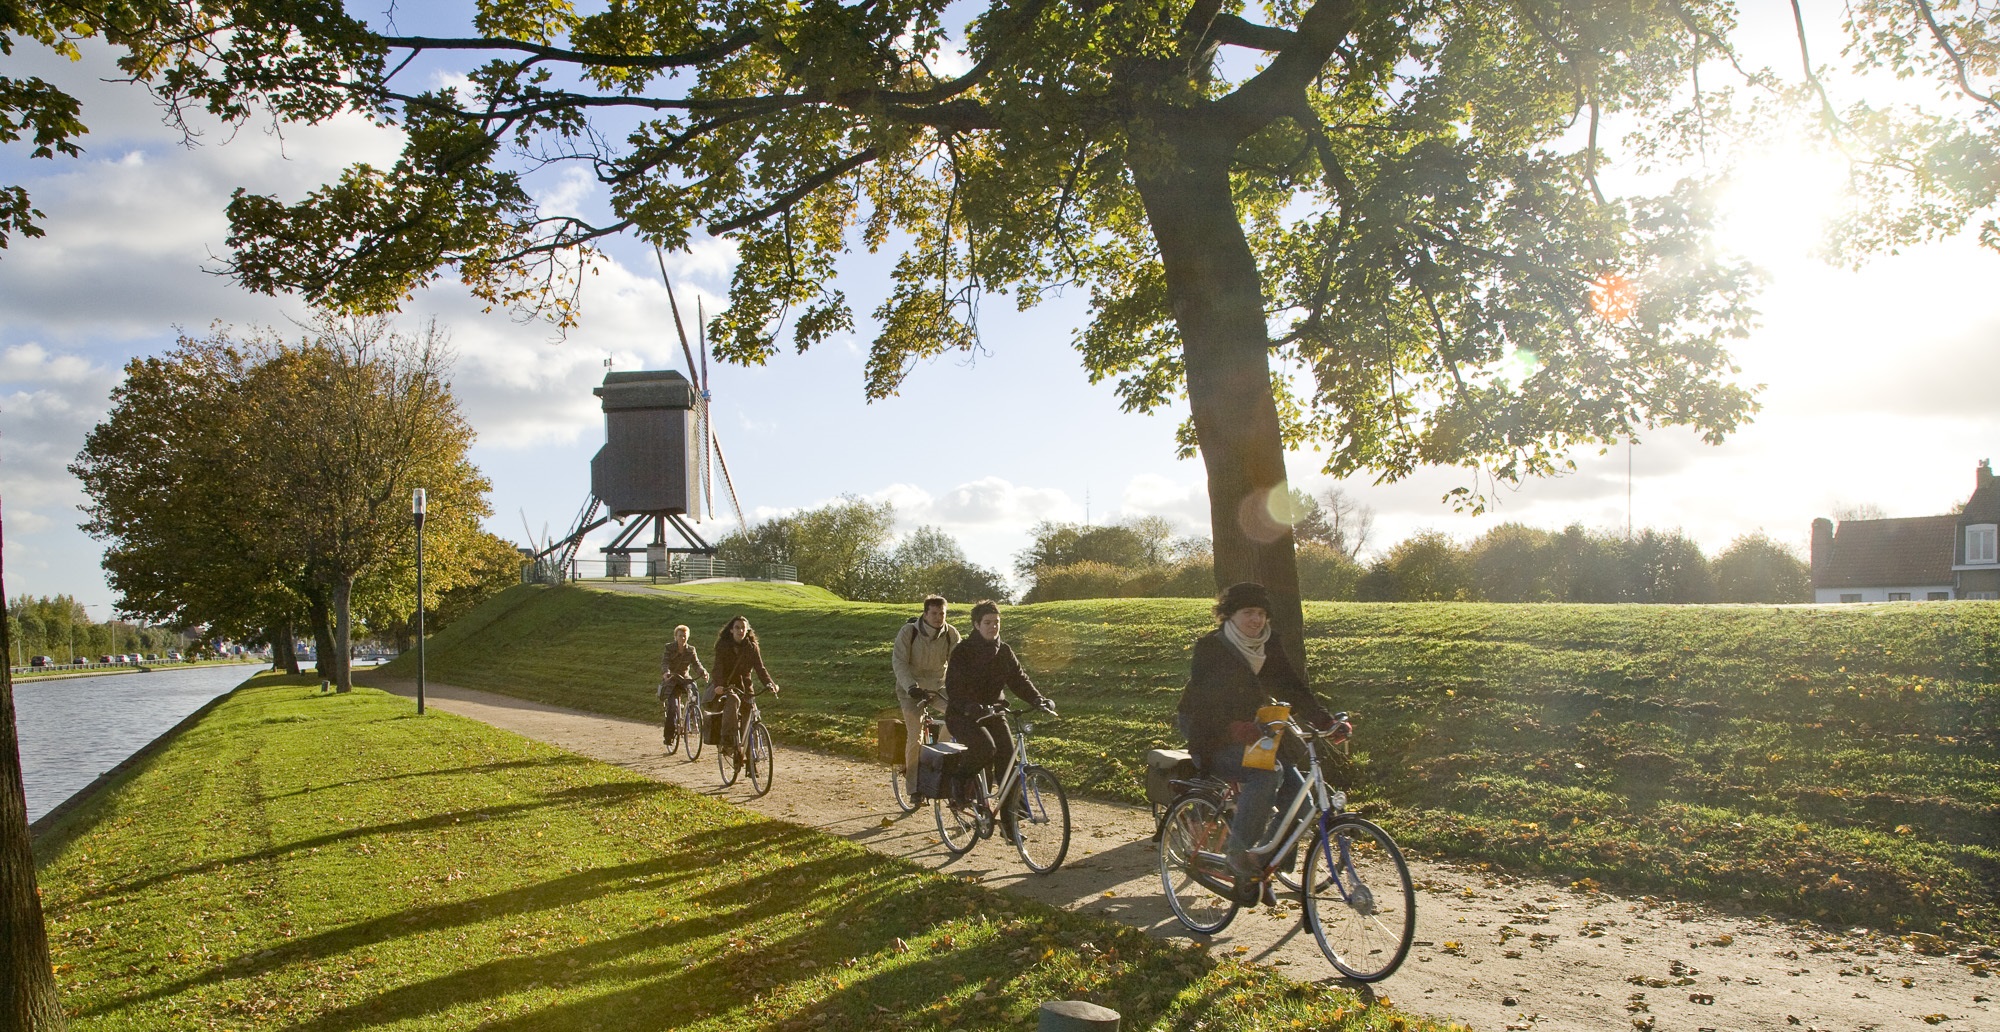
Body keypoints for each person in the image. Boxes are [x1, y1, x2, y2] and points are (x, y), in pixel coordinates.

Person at [1176, 582, 1334, 890]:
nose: (1255, 620)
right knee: (1266, 774)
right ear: (1229, 616)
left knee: (1302, 802)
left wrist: (1324, 720)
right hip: (1207, 728)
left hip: (1252, 729)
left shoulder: (1268, 644)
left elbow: (1291, 686)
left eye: (1261, 613)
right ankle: (1238, 854)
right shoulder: (1212, 648)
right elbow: (1204, 702)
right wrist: (1232, 729)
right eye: (1248, 612)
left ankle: (1264, 860)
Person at [942, 600, 1055, 819]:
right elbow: (954, 688)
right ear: (976, 624)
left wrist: (1038, 700)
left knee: (1008, 761)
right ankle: (958, 780)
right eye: (987, 622)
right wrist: (969, 706)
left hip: (993, 712)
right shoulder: (962, 652)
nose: (993, 626)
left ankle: (1011, 821)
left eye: (996, 622)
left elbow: (1019, 679)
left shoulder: (1004, 651)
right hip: (963, 715)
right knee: (985, 748)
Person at [892, 594, 960, 804]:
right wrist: (911, 687)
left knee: (956, 717)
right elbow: (899, 662)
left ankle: (938, 759)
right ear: (925, 613)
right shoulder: (909, 632)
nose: (939, 618)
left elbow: (959, 663)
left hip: (939, 688)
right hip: (911, 689)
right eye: (934, 613)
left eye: (942, 613)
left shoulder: (951, 634)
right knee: (915, 736)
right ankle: (914, 789)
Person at [711, 615, 780, 763]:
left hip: (746, 687)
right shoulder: (723, 645)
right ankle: (728, 742)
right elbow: (717, 668)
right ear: (731, 630)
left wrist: (770, 684)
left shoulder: (752, 647)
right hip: (728, 686)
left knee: (749, 716)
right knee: (733, 702)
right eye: (737, 627)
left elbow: (760, 668)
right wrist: (719, 685)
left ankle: (748, 758)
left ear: (747, 629)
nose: (740, 630)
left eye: (743, 627)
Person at [659, 624, 707, 742]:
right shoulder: (669, 648)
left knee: (694, 693)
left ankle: (694, 718)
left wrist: (703, 672)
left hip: (685, 679)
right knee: (673, 707)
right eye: (680, 636)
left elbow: (696, 664)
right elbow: (665, 662)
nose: (683, 639)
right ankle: (669, 736)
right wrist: (666, 673)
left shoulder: (691, 650)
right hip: (672, 680)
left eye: (685, 636)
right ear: (675, 637)